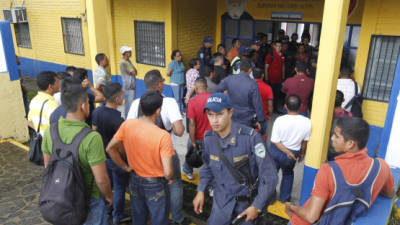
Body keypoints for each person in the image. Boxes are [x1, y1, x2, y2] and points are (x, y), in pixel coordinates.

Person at [286, 117, 395, 225]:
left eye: (337, 136)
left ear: (350, 144)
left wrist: (292, 207)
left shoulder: (328, 170)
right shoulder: (381, 166)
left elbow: (311, 216)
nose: (332, 138)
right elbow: (390, 194)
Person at [192, 93, 278, 225]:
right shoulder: (209, 139)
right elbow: (208, 166)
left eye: (219, 114)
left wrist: (257, 206)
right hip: (221, 203)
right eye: (210, 115)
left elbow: (269, 177)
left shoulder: (251, 138)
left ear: (230, 112)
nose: (214, 120)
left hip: (247, 206)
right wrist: (200, 190)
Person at [42, 77, 113, 225]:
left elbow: (48, 167)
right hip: (89, 199)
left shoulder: (51, 131)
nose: (89, 105)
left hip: (62, 196)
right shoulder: (92, 137)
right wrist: (108, 196)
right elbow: (101, 179)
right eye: (88, 102)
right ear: (82, 106)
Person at [127, 70, 190, 225]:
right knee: (174, 184)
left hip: (143, 153)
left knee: (147, 183)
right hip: (167, 152)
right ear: (159, 84)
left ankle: (148, 213)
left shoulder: (136, 103)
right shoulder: (169, 102)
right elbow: (180, 131)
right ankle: (177, 218)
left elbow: (128, 127)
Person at [107, 91, 175, 225]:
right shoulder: (163, 136)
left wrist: (125, 166)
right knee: (159, 220)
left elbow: (110, 148)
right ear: (158, 110)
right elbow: (168, 172)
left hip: (134, 180)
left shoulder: (127, 125)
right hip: (156, 184)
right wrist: (171, 178)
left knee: (138, 218)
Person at [91, 82, 129, 225]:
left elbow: (94, 131)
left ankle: (107, 208)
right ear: (117, 99)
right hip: (116, 159)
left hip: (102, 157)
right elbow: (119, 146)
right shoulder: (118, 120)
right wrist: (125, 161)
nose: (123, 96)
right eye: (122, 95)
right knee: (119, 187)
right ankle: (118, 216)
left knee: (108, 184)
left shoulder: (97, 112)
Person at [269, 95, 311, 202]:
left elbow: (274, 140)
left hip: (276, 151)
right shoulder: (307, 122)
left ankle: (270, 196)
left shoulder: (279, 120)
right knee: (288, 175)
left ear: (285, 106)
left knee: (272, 174)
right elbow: (304, 142)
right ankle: (285, 198)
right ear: (301, 106)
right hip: (292, 153)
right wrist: (302, 154)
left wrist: (286, 151)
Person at [215, 58, 265, 131]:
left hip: (232, 116)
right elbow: (257, 103)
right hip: (247, 118)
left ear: (239, 68)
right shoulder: (252, 84)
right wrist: (261, 120)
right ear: (250, 70)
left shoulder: (229, 79)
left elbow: (216, 91)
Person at [183, 78, 211, 180]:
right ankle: (209, 182)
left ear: (196, 88)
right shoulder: (213, 99)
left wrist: (193, 140)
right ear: (206, 87)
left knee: (190, 154)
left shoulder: (192, 102)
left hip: (196, 136)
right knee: (210, 159)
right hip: (210, 137)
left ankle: (187, 171)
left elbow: (192, 124)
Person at [28, 71, 60, 136]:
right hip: (51, 141)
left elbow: (29, 121)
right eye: (58, 82)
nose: (59, 84)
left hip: (42, 140)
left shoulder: (34, 100)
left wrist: (40, 131)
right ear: (50, 86)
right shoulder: (52, 106)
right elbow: (58, 129)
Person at [327, 90, 353, 161]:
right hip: (339, 148)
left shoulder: (327, 114)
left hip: (324, 147)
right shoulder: (349, 115)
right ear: (343, 100)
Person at [265, 40, 285, 113]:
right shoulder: (270, 55)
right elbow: (266, 67)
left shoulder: (282, 55)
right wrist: (267, 79)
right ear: (274, 46)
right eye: (277, 46)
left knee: (276, 95)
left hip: (279, 80)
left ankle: (275, 109)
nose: (279, 47)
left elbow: (283, 66)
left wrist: (283, 77)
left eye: (280, 46)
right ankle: (269, 109)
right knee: (270, 96)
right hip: (271, 80)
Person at [253, 68, 273, 134]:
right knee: (262, 136)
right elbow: (270, 105)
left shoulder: (248, 86)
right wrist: (269, 115)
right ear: (263, 75)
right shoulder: (268, 88)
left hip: (250, 116)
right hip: (263, 116)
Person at [119, 46, 137, 118]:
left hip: (130, 85)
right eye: (129, 52)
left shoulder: (128, 61)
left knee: (128, 103)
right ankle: (129, 119)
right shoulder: (124, 63)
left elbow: (135, 71)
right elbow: (134, 72)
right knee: (130, 104)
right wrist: (133, 71)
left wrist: (133, 71)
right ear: (125, 53)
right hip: (129, 85)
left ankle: (127, 118)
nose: (131, 53)